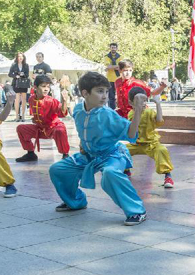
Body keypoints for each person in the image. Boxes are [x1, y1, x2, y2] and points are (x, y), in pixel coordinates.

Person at [48, 72, 148, 226]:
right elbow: (83, 129)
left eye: (106, 91)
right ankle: (76, 201)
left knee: (110, 173)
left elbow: (130, 133)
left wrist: (138, 112)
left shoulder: (108, 114)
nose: (105, 96)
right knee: (58, 169)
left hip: (112, 155)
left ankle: (137, 211)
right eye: (100, 91)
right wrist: (83, 144)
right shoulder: (78, 110)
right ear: (85, 93)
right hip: (88, 156)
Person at [126, 87, 174, 188]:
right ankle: (126, 170)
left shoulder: (149, 112)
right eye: (138, 101)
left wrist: (158, 104)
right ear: (131, 103)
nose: (142, 103)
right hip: (136, 144)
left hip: (151, 144)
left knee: (161, 150)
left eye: (144, 101)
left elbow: (159, 121)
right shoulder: (131, 113)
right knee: (122, 150)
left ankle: (168, 176)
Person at [16, 75, 70, 162]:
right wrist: (35, 119)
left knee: (60, 129)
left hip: (53, 128)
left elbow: (62, 114)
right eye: (43, 86)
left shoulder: (51, 100)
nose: (46, 89)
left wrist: (64, 101)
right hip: (40, 129)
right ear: (35, 87)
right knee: (21, 128)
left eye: (48, 87)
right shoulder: (31, 99)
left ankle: (65, 155)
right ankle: (30, 154)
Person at [8, 52, 31, 121]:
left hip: (24, 83)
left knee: (24, 100)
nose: (20, 58)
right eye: (19, 56)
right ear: (17, 57)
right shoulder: (13, 65)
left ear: (23, 57)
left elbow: (27, 75)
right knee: (17, 100)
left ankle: (23, 115)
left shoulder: (26, 65)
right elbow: (10, 74)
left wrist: (22, 74)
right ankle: (17, 116)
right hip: (16, 83)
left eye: (21, 56)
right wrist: (16, 76)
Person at [104, 43, 123, 109]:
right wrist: (115, 67)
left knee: (120, 95)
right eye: (112, 47)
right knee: (111, 97)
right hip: (110, 79)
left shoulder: (120, 57)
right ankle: (112, 110)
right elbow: (108, 66)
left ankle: (121, 109)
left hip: (118, 78)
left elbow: (120, 67)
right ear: (110, 48)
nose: (113, 49)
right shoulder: (107, 56)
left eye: (114, 47)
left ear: (117, 48)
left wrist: (110, 67)